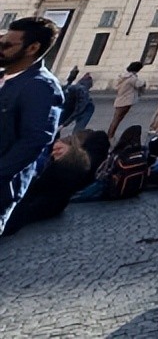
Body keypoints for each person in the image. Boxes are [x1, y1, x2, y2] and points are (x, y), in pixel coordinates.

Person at [0, 17, 64, 234]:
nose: (0, 48)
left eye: (7, 45)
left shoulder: (40, 86)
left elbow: (34, 141)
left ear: (33, 48)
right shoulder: (5, 77)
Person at [0, 135, 91, 237]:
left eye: (59, 152)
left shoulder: (51, 182)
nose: (54, 152)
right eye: (55, 152)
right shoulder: (49, 179)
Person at [107, 61, 146, 139]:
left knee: (116, 119)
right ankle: (110, 135)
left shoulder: (123, 76)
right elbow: (140, 84)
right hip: (126, 100)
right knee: (117, 119)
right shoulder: (132, 78)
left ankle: (110, 134)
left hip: (120, 99)